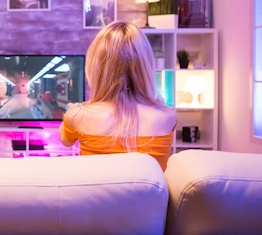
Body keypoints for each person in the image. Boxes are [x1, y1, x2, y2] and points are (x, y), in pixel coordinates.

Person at [59, 21, 177, 170]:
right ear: (145, 65)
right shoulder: (168, 116)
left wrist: (75, 111)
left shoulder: (77, 115)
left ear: (96, 68)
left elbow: (65, 141)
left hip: (96, 194)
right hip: (152, 194)